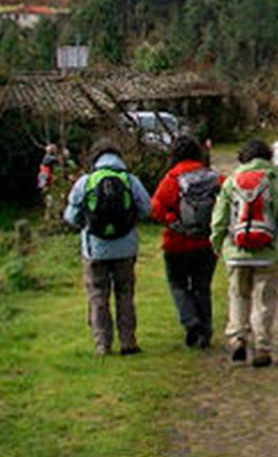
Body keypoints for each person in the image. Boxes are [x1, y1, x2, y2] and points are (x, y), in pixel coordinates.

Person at [211, 138, 278, 368]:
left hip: (236, 251)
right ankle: (262, 346)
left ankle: (238, 338)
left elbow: (219, 219)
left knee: (238, 296)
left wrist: (218, 244)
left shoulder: (231, 182)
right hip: (267, 253)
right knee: (264, 301)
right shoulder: (274, 181)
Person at [62, 142, 152, 356]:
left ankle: (102, 344)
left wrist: (86, 225)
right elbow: (147, 209)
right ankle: (128, 341)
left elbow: (71, 217)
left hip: (94, 249)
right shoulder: (130, 180)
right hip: (125, 248)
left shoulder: (85, 182)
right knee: (125, 294)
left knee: (97, 295)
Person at [149, 137, 223, 348]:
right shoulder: (214, 178)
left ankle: (190, 321)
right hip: (206, 243)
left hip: (177, 243)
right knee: (202, 287)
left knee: (178, 284)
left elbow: (155, 208)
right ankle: (205, 331)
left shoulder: (172, 179)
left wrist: (172, 221)